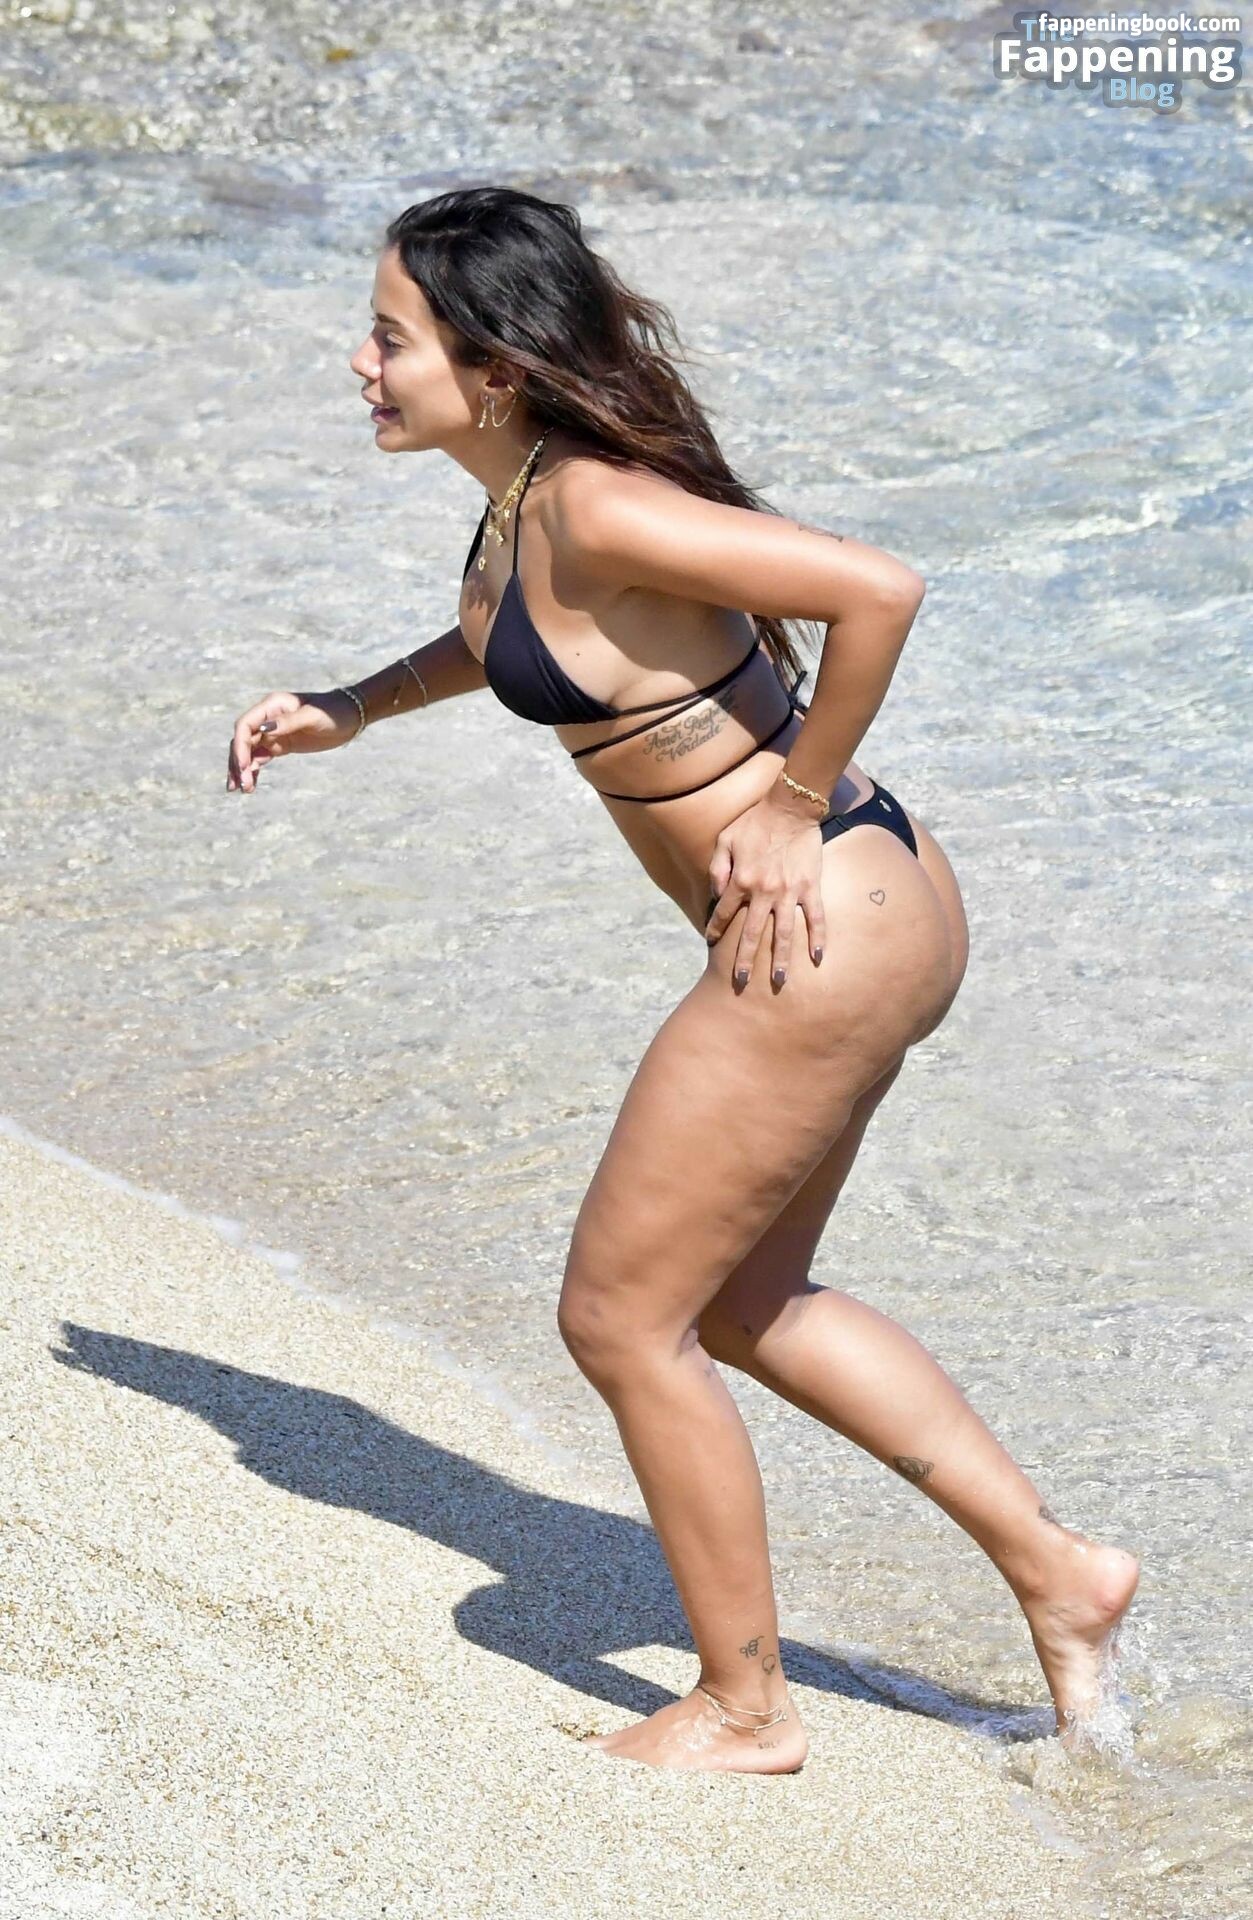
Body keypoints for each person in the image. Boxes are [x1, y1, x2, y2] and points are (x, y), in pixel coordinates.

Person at [226, 186, 1140, 1776]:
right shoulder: (524, 499)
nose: (358, 364)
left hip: (825, 917)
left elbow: (876, 588)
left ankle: (743, 1709)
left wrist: (788, 804)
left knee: (616, 1315)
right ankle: (1061, 1576)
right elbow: (515, 641)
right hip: (868, 913)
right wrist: (353, 705)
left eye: (387, 338)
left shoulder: (589, 502)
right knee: (740, 1302)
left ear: (494, 367)